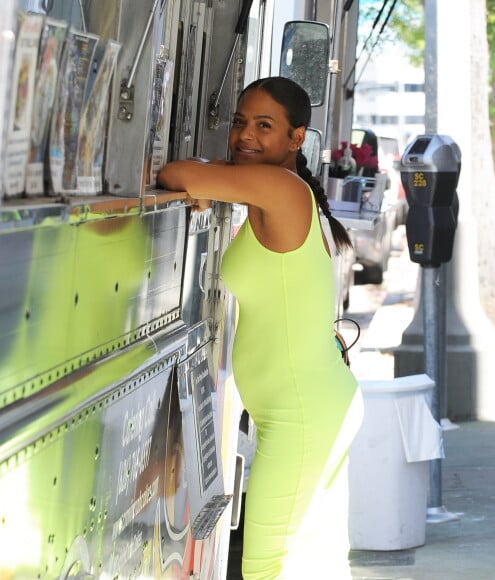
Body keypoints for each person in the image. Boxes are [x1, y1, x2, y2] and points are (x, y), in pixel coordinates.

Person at [158, 76, 363, 578]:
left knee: (269, 566)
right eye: (239, 123)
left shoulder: (279, 188)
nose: (245, 135)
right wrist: (207, 184)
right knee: (310, 559)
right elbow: (196, 177)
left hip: (301, 413)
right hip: (308, 404)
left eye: (264, 126)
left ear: (297, 138)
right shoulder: (275, 194)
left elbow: (171, 172)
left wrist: (201, 180)